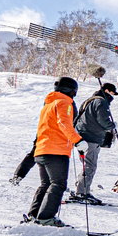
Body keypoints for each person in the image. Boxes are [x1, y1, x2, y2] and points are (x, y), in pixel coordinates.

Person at [26, 77, 82, 226]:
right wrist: (78, 140)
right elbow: (63, 123)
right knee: (58, 184)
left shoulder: (48, 105)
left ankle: (35, 215)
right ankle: (46, 217)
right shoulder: (65, 103)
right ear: (72, 90)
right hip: (56, 150)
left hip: (42, 150)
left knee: (46, 184)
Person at [69, 82, 118, 204]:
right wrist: (112, 125)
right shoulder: (101, 102)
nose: (113, 96)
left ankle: (80, 188)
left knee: (86, 164)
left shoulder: (90, 100)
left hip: (81, 136)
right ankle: (82, 193)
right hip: (91, 137)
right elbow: (104, 121)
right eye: (112, 93)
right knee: (90, 165)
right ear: (107, 91)